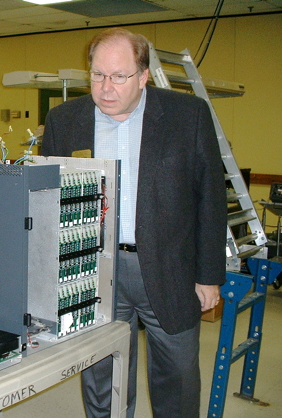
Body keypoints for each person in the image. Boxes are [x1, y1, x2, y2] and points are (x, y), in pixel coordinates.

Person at [41, 28, 227, 417]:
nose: (106, 88)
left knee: (176, 378)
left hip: (170, 269)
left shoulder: (187, 115)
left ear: (143, 76)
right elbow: (49, 204)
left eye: (119, 76)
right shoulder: (64, 120)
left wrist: (209, 276)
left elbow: (211, 198)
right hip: (96, 272)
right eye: (97, 75)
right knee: (101, 378)